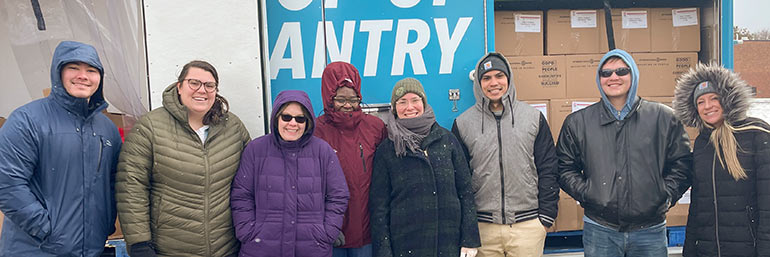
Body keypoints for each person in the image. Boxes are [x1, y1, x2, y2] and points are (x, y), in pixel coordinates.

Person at [556, 49, 692, 256]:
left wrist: (664, 195)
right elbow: (564, 168)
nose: (614, 77)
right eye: (606, 73)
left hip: (650, 230)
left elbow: (682, 164)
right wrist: (588, 193)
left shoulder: (663, 118)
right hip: (600, 229)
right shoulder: (578, 123)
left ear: (634, 75)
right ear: (599, 79)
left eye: (622, 71)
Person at [116, 60, 251, 257]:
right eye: (194, 83)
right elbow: (131, 185)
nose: (202, 90)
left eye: (209, 85)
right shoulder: (150, 127)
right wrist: (139, 242)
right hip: (169, 248)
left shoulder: (233, 127)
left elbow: (251, 181)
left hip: (225, 248)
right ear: (179, 87)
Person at [0, 41, 122, 256]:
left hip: (91, 248)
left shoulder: (107, 129)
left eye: (91, 70)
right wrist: (45, 229)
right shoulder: (27, 120)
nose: (83, 76)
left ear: (100, 78)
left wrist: (106, 222)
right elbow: (8, 183)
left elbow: (114, 183)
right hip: (36, 248)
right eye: (73, 67)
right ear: (58, 72)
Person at [452, 52, 559, 256]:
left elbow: (548, 168)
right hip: (483, 229)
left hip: (527, 227)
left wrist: (545, 218)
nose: (494, 83)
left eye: (499, 76)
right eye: (486, 78)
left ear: (508, 79)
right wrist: (467, 227)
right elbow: (460, 179)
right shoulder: (463, 124)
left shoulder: (533, 118)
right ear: (479, 84)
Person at [231, 90, 350, 257]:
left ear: (307, 122)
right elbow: (242, 195)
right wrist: (247, 231)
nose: (293, 123)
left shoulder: (323, 151)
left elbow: (338, 195)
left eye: (300, 118)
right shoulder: (256, 150)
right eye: (286, 117)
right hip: (261, 248)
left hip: (312, 248)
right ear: (276, 118)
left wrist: (327, 232)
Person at [370, 78, 480, 257]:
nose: (409, 107)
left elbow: (466, 192)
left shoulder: (447, 140)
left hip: (449, 244)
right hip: (405, 246)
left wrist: (470, 239)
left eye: (415, 100)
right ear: (394, 107)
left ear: (424, 103)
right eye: (402, 102)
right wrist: (383, 251)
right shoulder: (387, 149)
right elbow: (379, 207)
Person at [673, 63, 770, 256]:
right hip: (709, 250)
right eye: (700, 102)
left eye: (714, 98)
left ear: (727, 99)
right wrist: (690, 251)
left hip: (747, 250)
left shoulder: (756, 134)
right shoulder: (702, 142)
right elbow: (698, 206)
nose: (707, 106)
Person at [314, 62, 387, 256]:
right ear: (329, 97)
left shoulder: (375, 127)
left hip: (366, 228)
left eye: (353, 98)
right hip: (330, 228)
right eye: (340, 99)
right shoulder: (315, 130)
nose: (348, 105)